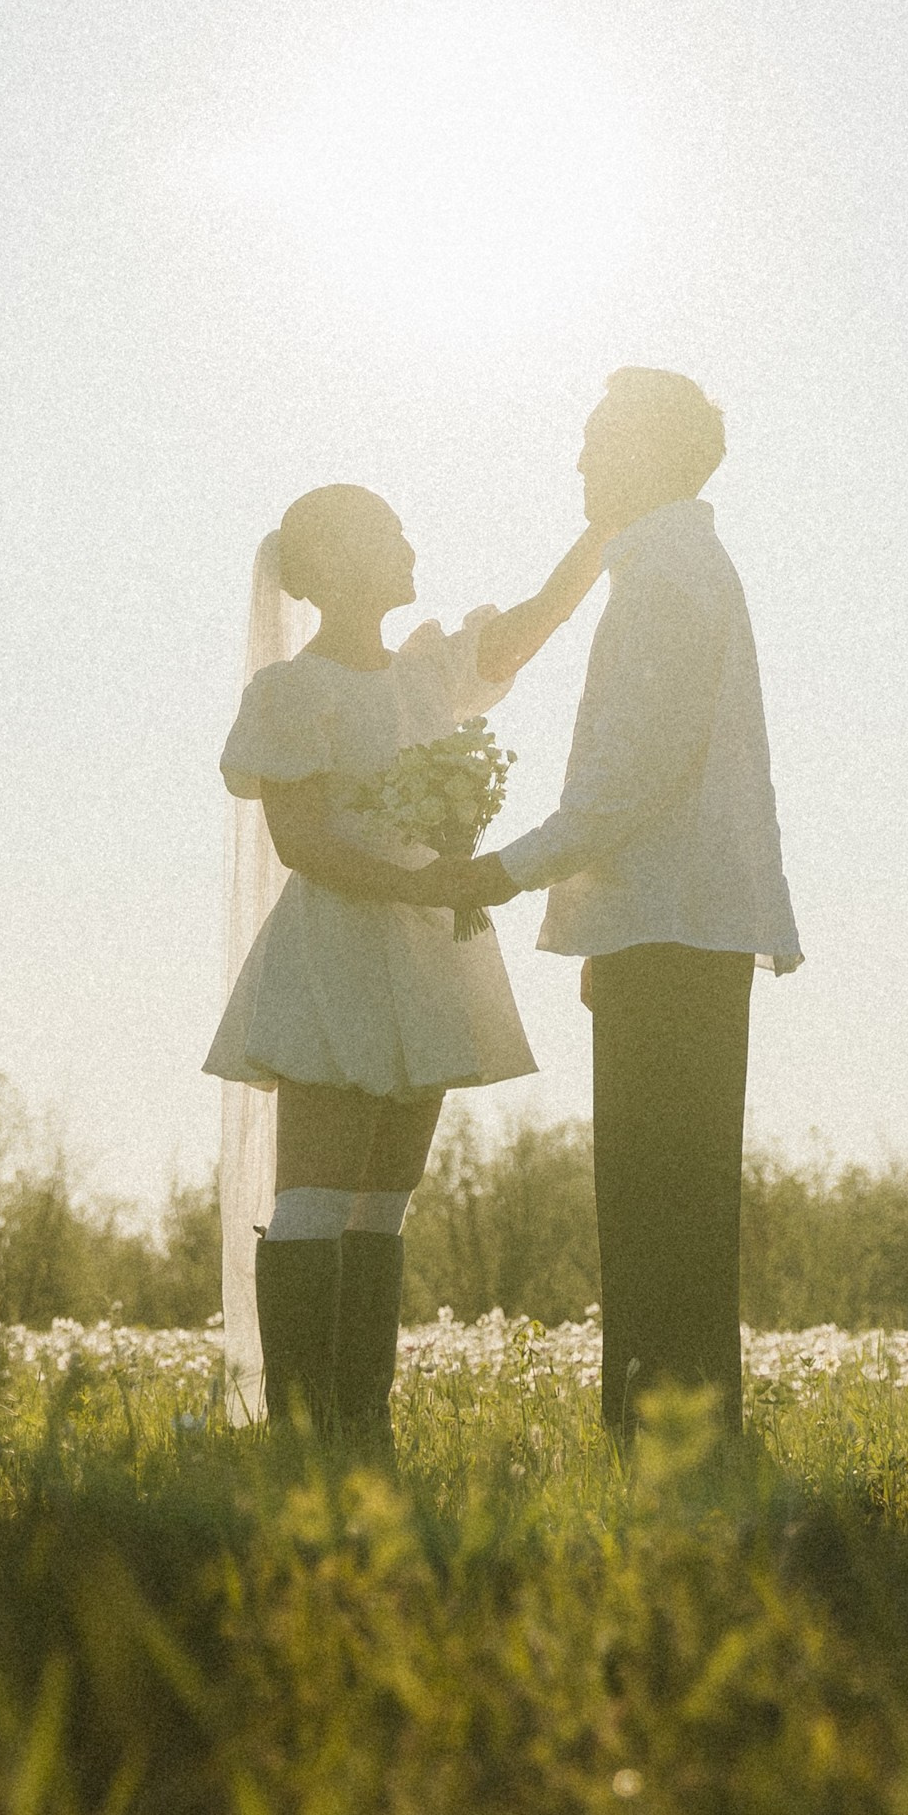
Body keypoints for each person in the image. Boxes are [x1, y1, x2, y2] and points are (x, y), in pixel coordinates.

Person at [428, 370, 800, 1443]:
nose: (579, 460)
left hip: (675, 929)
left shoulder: (670, 571)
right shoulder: (668, 565)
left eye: (596, 440)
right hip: (664, 923)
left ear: (651, 449)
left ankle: (666, 1445)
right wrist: (605, 919)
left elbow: (634, 772)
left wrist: (504, 869)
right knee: (664, 1197)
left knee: (659, 1206)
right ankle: (679, 1441)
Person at [205, 482, 606, 1443]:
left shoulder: (424, 675)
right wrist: (427, 887)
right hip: (337, 952)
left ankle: (361, 1427)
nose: (407, 543)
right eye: (384, 534)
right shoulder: (292, 692)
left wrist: (603, 528)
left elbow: (528, 628)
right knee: (313, 1192)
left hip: (426, 955)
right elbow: (298, 842)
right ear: (332, 564)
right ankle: (301, 1437)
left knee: (384, 1199)